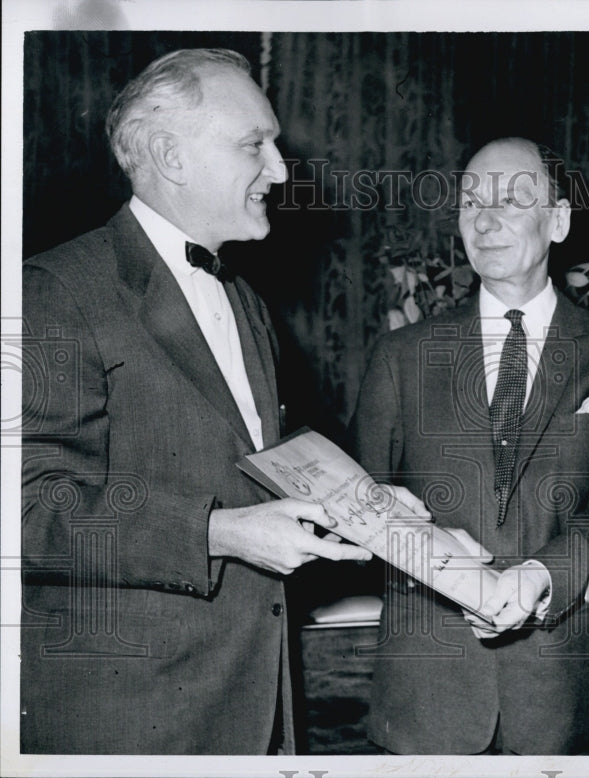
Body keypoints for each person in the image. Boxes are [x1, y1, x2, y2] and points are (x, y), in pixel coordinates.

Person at [20, 48, 380, 754]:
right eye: (255, 145)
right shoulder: (53, 292)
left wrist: (382, 514)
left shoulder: (244, 298)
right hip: (128, 721)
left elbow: (259, 465)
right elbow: (29, 509)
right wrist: (222, 534)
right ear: (170, 156)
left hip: (251, 705)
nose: (280, 170)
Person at [350, 137, 589, 754]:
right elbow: (356, 506)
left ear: (558, 220)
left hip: (559, 690)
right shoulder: (400, 357)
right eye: (470, 202)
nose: (486, 220)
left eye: (513, 199)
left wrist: (543, 573)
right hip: (428, 697)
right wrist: (422, 541)